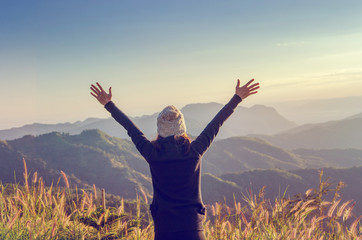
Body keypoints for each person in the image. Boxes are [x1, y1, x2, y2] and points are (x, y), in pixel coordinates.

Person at [90, 79, 260, 240]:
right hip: (193, 228)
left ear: (160, 129)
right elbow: (216, 124)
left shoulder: (152, 153)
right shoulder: (194, 151)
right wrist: (237, 98)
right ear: (182, 128)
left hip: (164, 229)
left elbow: (131, 129)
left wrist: (109, 104)